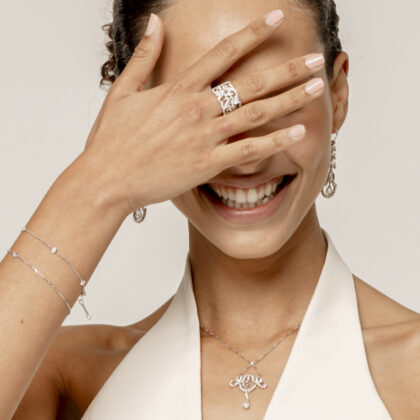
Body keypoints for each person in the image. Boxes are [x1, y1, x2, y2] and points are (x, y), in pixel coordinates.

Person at [1, 0, 419, 419]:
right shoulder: (69, 375)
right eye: (201, 110)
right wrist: (100, 184)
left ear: (337, 95)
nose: (247, 158)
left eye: (279, 96)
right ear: (135, 123)